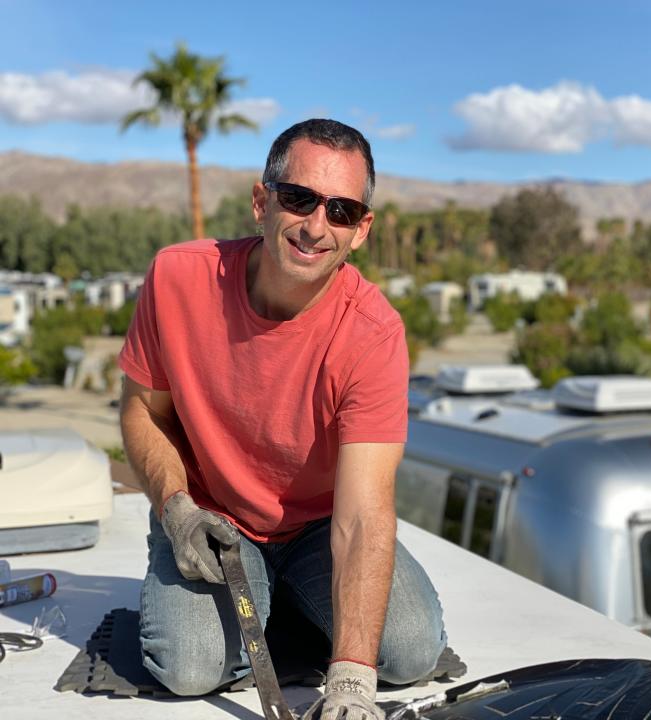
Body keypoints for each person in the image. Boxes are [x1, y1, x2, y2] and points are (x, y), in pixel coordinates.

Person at [118, 119, 446, 720]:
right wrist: (175, 510)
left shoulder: (374, 334)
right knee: (188, 667)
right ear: (261, 202)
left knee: (410, 653)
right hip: (214, 522)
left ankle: (292, 601)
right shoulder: (177, 277)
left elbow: (366, 511)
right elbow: (143, 411)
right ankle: (272, 602)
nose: (317, 227)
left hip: (323, 530)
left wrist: (350, 679)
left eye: (342, 210)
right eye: (299, 199)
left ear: (361, 230)